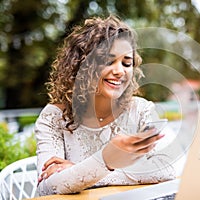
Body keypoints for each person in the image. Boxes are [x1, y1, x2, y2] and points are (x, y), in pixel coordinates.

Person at [34, 15, 176, 196]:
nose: (119, 71)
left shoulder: (140, 110)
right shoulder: (53, 117)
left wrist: (91, 169)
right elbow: (47, 187)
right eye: (108, 61)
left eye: (126, 63)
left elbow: (168, 167)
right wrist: (105, 161)